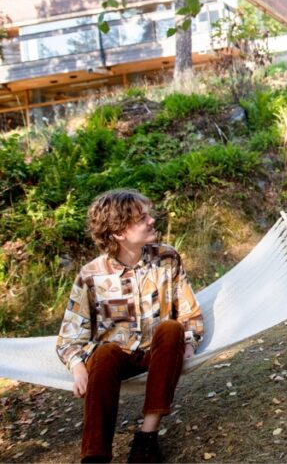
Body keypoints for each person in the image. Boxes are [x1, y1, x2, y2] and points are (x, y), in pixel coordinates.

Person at [56, 189, 204, 463]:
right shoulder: (91, 275)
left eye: (148, 214)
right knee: (103, 353)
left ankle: (147, 438)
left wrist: (190, 343)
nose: (151, 221)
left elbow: (189, 314)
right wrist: (77, 367)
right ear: (118, 233)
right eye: (141, 218)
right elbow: (69, 336)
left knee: (171, 329)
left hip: (159, 352)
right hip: (116, 359)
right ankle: (95, 456)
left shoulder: (167, 259)